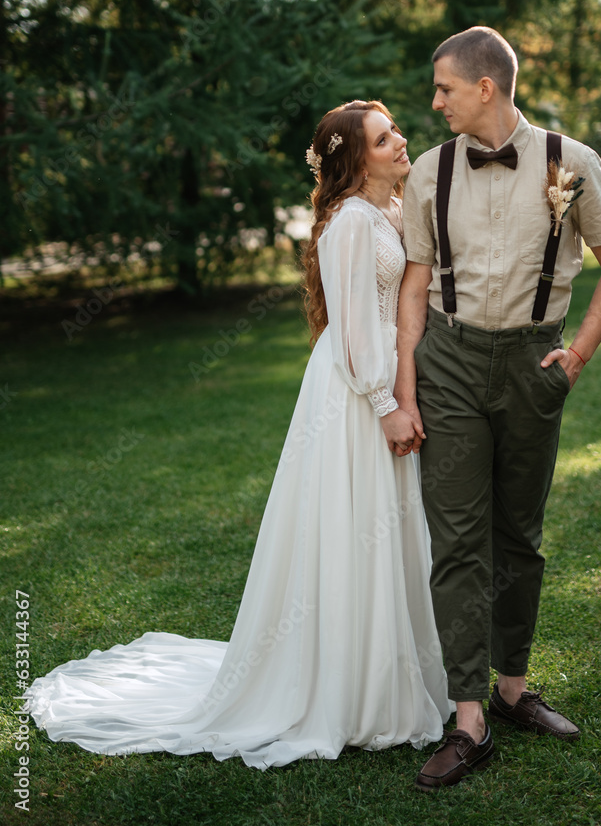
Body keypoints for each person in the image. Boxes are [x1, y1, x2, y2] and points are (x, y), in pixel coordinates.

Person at [24, 100, 454, 769]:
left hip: (381, 389)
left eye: (395, 129)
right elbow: (349, 330)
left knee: (386, 526)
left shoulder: (392, 212)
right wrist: (385, 402)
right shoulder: (348, 225)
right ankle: (347, 689)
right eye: (383, 137)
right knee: (353, 526)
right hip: (353, 398)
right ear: (353, 160)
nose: (400, 141)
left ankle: (392, 673)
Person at [394, 27, 601, 791]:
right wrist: (405, 387)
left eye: (444, 89)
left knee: (520, 536)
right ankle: (469, 719)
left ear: (486, 87)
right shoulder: (428, 173)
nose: (434, 103)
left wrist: (581, 353)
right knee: (459, 538)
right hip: (451, 361)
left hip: (535, 363)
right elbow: (412, 285)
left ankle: (512, 689)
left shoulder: (573, 162)